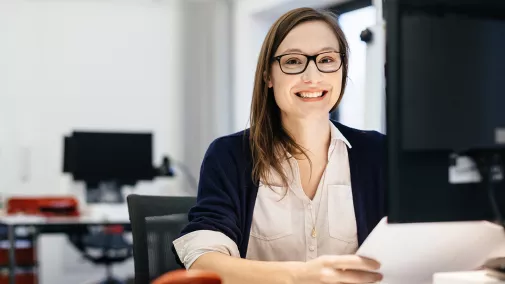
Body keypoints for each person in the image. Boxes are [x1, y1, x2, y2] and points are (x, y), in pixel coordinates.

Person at [172, 7, 385, 284]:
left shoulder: (378, 153)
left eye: (327, 59)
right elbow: (204, 261)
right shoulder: (230, 155)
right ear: (268, 76)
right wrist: (301, 275)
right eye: (294, 62)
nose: (312, 76)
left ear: (342, 70)